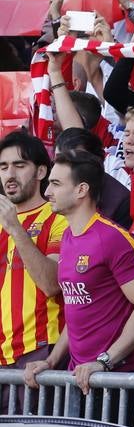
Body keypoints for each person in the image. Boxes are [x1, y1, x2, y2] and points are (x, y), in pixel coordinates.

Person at [23, 152, 134, 392]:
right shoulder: (68, 236)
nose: (47, 192)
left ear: (81, 190)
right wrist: (51, 361)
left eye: (56, 183)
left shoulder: (112, 238)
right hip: (81, 374)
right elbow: (77, 309)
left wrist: (105, 361)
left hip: (116, 379)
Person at [0, 131, 65, 368]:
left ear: (41, 172)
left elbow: (51, 284)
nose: (10, 174)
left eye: (19, 165)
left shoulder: (59, 218)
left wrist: (15, 229)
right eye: (3, 167)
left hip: (39, 349)